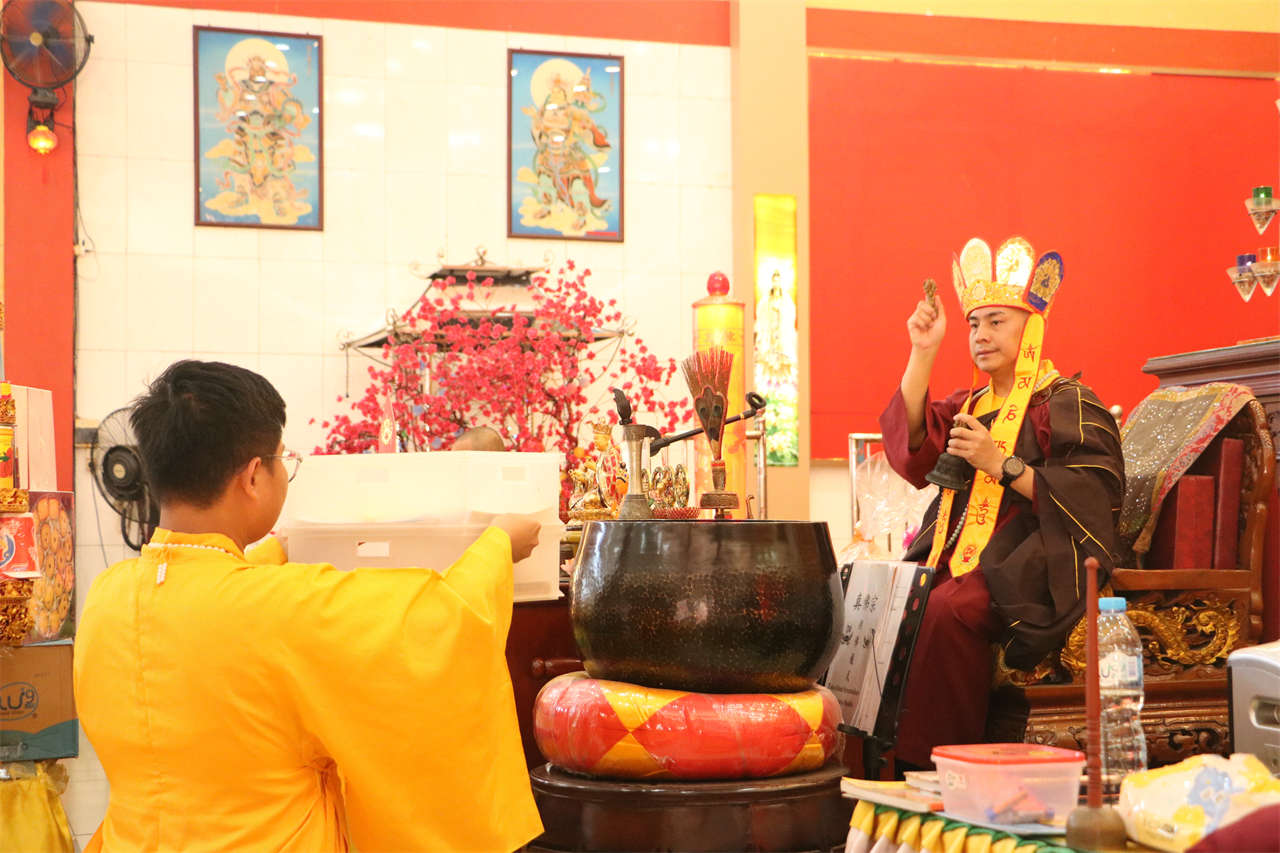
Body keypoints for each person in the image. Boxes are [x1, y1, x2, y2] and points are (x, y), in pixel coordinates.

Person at [73, 360, 544, 852]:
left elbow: (207, 597)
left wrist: (277, 548)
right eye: (283, 461)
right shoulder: (284, 606)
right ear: (253, 477)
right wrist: (497, 547)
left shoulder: (108, 595)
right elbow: (439, 622)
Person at [879, 237, 1124, 769]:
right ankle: (882, 762)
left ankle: (940, 768)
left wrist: (1003, 464)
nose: (982, 335)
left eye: (997, 322)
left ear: (1030, 327)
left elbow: (1093, 499)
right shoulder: (970, 404)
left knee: (948, 611)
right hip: (956, 553)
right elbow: (913, 449)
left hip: (1030, 556)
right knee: (894, 600)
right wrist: (923, 350)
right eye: (974, 324)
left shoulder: (1066, 401)